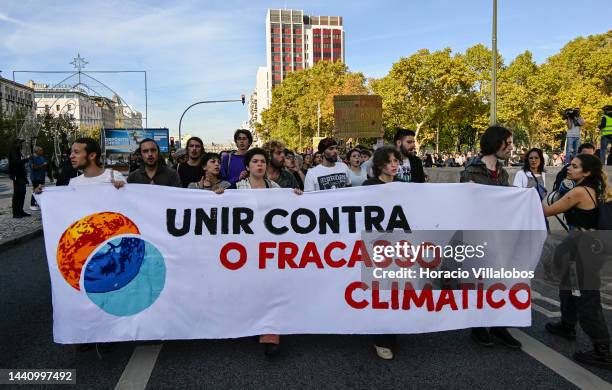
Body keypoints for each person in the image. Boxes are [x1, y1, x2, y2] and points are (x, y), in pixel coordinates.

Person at [543, 154, 612, 368]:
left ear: (587, 172)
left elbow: (546, 210)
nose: (568, 169)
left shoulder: (580, 191)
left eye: (574, 166)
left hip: (584, 252)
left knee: (586, 297)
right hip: (584, 248)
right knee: (569, 286)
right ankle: (567, 324)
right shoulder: (598, 188)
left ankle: (603, 351)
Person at [234, 147, 303, 357]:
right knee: (253, 289)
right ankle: (256, 324)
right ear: (247, 166)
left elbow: (289, 211)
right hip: (246, 249)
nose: (259, 165)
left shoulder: (275, 187)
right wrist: (219, 195)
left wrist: (297, 197)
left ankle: (271, 335)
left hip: (271, 247)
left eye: (262, 161)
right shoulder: (235, 189)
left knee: (272, 288)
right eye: (255, 161)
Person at [460, 125, 522, 349]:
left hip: (500, 236)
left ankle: (498, 326)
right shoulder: (470, 171)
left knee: (500, 282)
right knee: (479, 282)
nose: (511, 148)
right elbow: (469, 206)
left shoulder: (503, 172)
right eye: (508, 143)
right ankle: (479, 327)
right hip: (478, 237)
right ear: (496, 143)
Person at [362, 146, 402, 359]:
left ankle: (392, 332)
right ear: (379, 164)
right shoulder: (369, 186)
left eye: (396, 160)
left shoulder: (404, 187)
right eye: (389, 161)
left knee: (396, 289)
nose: (394, 165)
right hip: (376, 245)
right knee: (379, 291)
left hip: (400, 245)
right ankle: (381, 338)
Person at [8, 139, 30, 218]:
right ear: (15, 144)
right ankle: (16, 213)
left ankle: (20, 211)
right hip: (17, 176)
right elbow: (16, 162)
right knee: (18, 194)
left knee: (22, 193)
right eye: (20, 143)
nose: (21, 145)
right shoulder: (13, 151)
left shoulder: (17, 151)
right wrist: (26, 159)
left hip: (21, 176)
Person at [29, 146, 48, 211]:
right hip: (35, 177)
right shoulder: (32, 158)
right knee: (36, 190)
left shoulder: (42, 157)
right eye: (41, 150)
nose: (42, 151)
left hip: (41, 177)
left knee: (41, 190)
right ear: (37, 151)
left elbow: (45, 165)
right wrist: (43, 165)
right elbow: (33, 167)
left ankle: (38, 203)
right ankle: (32, 204)